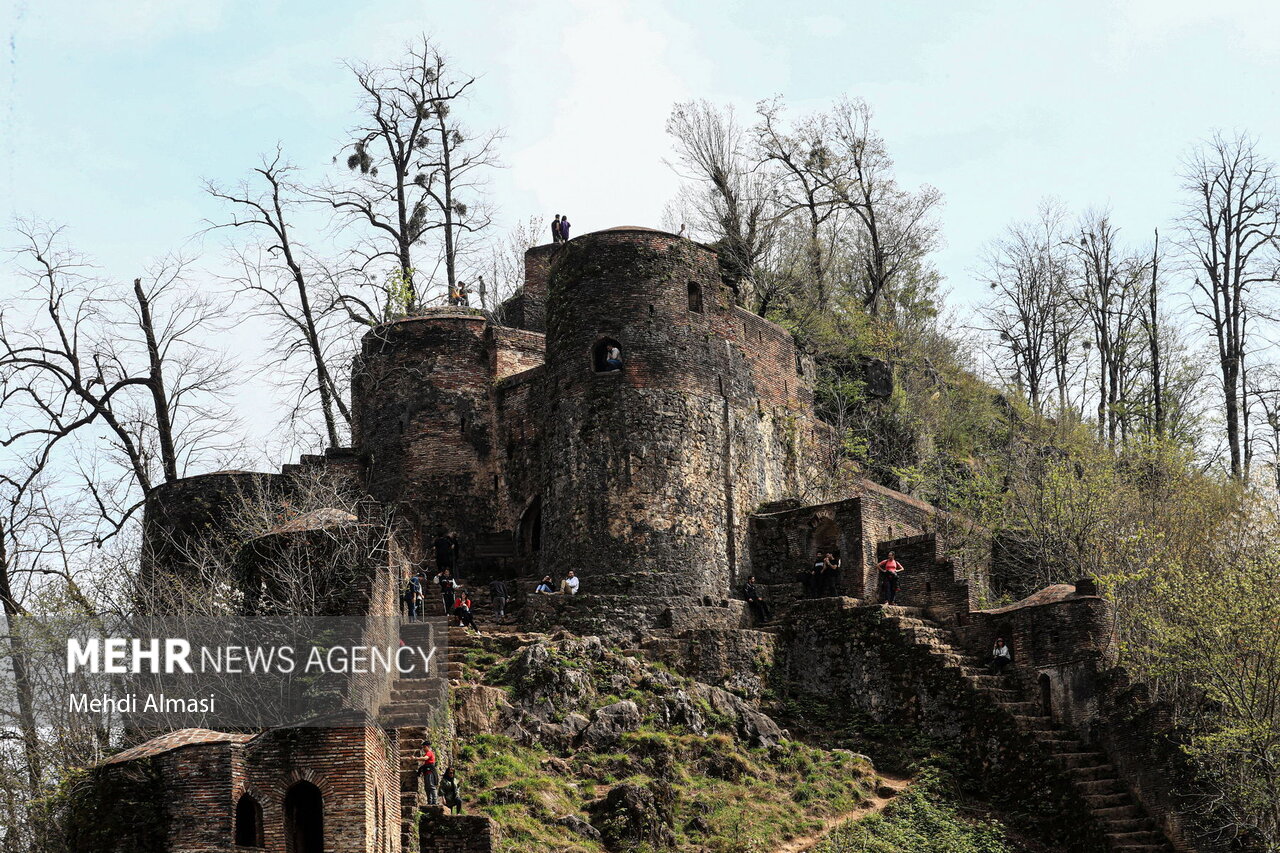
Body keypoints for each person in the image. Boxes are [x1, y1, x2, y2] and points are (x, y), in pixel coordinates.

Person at [417, 739, 439, 805]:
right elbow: (423, 758)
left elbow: (425, 758)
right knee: (427, 787)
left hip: (430, 772)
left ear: (427, 747)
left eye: (424, 747)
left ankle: (434, 801)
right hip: (426, 772)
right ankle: (429, 801)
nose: (423, 748)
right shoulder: (426, 753)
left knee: (431, 786)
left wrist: (416, 758)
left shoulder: (429, 753)